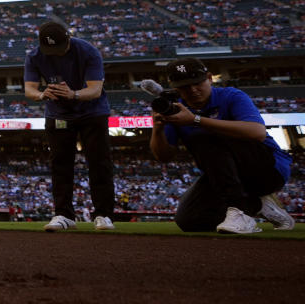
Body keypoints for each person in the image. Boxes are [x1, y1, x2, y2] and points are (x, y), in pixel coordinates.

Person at [147, 58, 295, 234]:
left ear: (209, 78)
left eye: (197, 83)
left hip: (267, 171)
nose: (193, 90)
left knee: (203, 136)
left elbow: (257, 132)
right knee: (189, 220)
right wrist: (158, 128)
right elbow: (163, 156)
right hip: (222, 177)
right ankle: (257, 205)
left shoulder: (231, 95)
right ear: (175, 87)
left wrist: (196, 120)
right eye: (185, 86)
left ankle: (240, 210)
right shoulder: (176, 109)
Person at [24, 21, 115, 232]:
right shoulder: (34, 56)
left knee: (99, 162)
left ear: (68, 38)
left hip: (92, 112)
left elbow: (94, 90)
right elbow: (30, 89)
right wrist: (41, 94)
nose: (55, 54)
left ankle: (103, 214)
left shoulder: (88, 51)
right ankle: (63, 214)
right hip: (58, 113)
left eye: (59, 48)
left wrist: (73, 94)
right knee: (60, 164)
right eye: (50, 50)